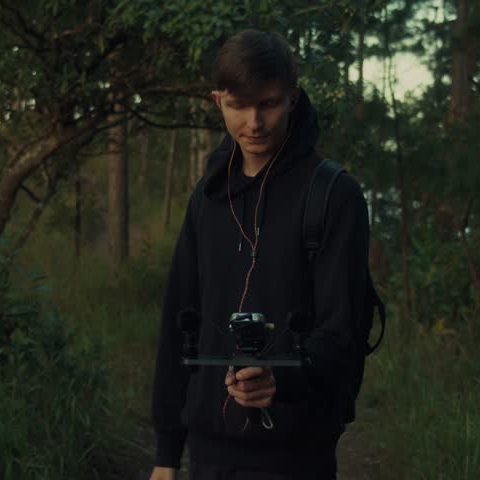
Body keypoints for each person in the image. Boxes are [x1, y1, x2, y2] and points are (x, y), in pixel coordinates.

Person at [149, 29, 372, 480]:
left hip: (297, 457)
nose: (254, 122)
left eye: (268, 103)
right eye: (238, 105)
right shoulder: (209, 197)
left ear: (292, 98)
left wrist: (282, 379)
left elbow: (344, 334)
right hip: (209, 457)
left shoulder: (333, 195)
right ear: (217, 101)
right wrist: (166, 454)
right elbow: (180, 321)